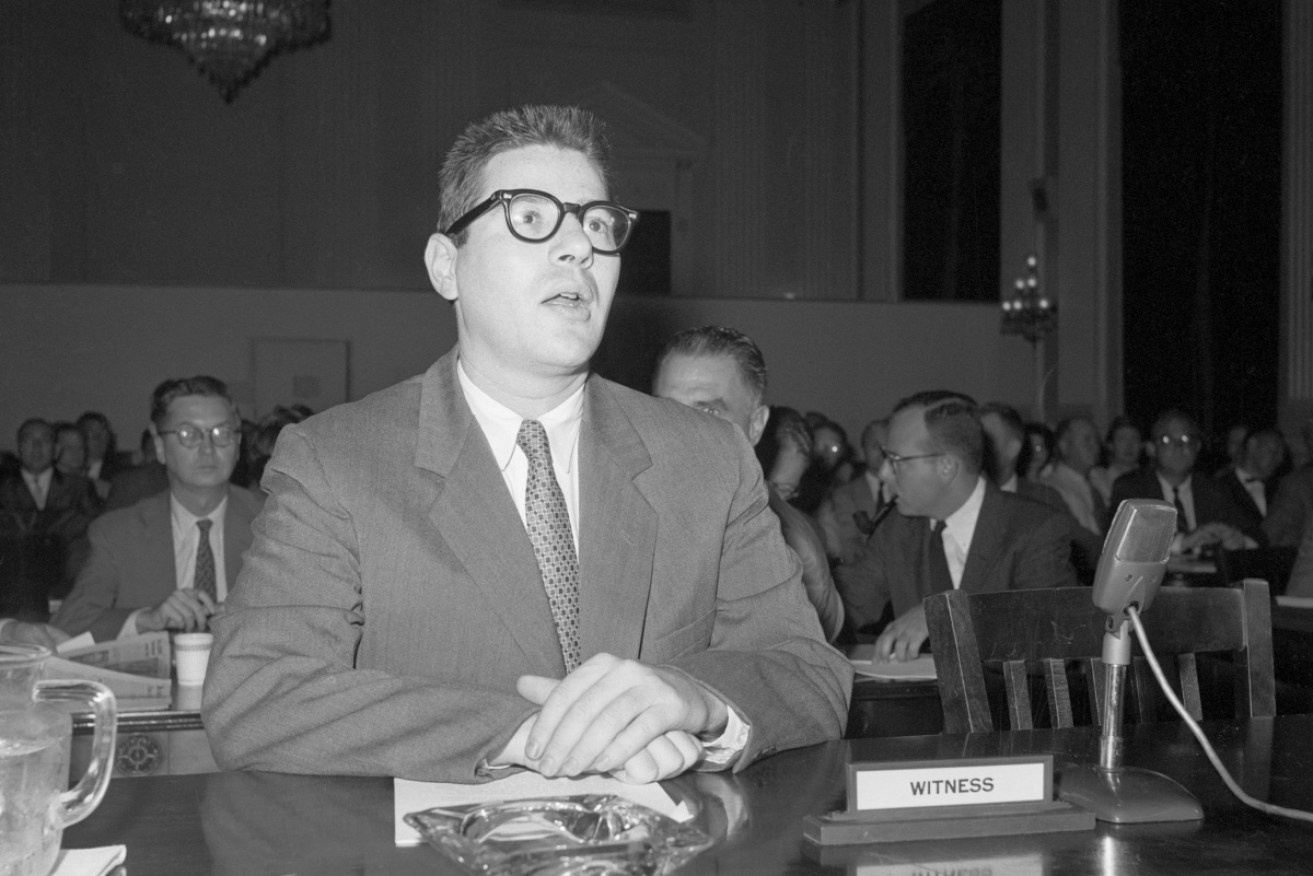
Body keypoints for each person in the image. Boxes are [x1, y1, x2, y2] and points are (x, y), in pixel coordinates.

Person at [203, 105, 851, 785]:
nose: (579, 247)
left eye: (596, 224)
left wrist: (698, 700)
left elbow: (809, 672)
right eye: (531, 217)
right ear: (445, 266)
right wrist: (536, 734)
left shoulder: (707, 458)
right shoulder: (336, 460)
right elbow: (257, 694)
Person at [835, 391, 1076, 661]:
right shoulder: (896, 530)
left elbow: (1054, 642)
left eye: (896, 461)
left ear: (946, 466)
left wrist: (953, 616)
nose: (883, 474)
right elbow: (843, 607)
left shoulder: (1034, 528)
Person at [652, 325, 844, 641]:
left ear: (755, 426)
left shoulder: (786, 542)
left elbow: (794, 668)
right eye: (666, 409)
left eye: (707, 411)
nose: (678, 430)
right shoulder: (609, 511)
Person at [53, 377, 263, 642]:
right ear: (160, 446)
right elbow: (67, 627)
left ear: (238, 444)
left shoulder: (277, 525)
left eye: (222, 433)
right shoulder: (118, 533)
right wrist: (147, 619)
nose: (208, 448)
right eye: (188, 434)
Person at [1108, 409, 1261, 553]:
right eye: (1167, 440)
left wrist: (1240, 540)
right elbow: (1125, 542)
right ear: (1151, 448)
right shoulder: (1132, 488)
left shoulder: (1214, 488)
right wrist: (1183, 542)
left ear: (1197, 447)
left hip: (1207, 579)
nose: (1179, 447)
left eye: (1186, 439)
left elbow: (1257, 534)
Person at [0, 419, 98, 617]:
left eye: (44, 440)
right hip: (14, 593)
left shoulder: (79, 488)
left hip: (68, 588)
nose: (37, 447)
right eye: (29, 440)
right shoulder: (4, 489)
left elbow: (91, 535)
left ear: (55, 450)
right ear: (18, 448)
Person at [816, 418, 891, 567]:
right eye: (875, 446)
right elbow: (849, 544)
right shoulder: (846, 494)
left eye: (887, 446)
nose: (883, 452)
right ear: (863, 450)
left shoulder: (907, 487)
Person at [1216, 427, 1286, 533]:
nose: (1279, 459)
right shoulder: (1219, 487)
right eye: (1273, 451)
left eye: (1282, 453)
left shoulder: (1283, 488)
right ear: (1252, 446)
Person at [1090, 415, 1143, 506]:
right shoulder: (1099, 479)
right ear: (1110, 445)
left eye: (1134, 439)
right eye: (1122, 439)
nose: (1129, 445)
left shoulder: (1149, 479)